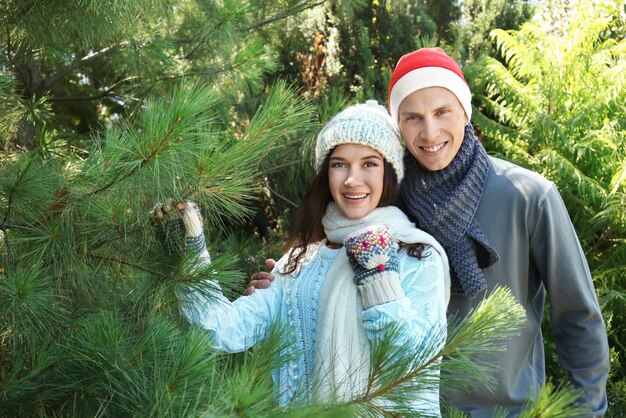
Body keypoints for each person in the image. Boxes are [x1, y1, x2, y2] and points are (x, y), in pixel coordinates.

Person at [249, 48, 610, 417]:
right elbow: (338, 275)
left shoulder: (529, 196)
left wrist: (588, 411)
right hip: (398, 408)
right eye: (413, 117)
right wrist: (286, 285)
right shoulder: (384, 198)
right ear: (399, 126)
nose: (430, 132)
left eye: (442, 112)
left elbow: (578, 316)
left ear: (465, 113)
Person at [154, 101, 451, 413]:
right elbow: (222, 331)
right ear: (326, 174)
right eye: (339, 164)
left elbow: (415, 367)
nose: (352, 179)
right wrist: (189, 248)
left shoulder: (416, 255)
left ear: (390, 173)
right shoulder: (298, 262)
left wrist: (379, 278)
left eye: (369, 164)